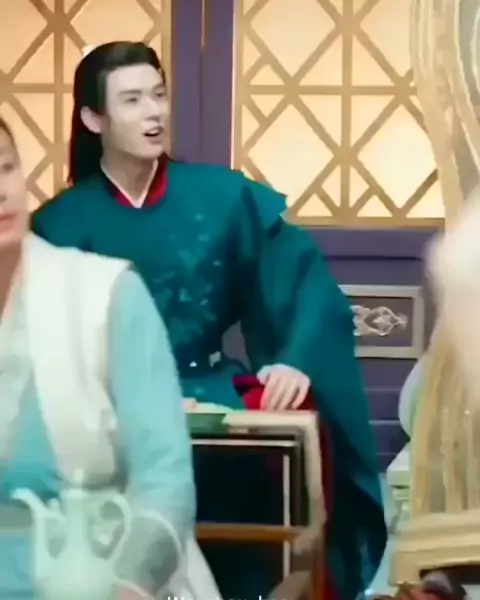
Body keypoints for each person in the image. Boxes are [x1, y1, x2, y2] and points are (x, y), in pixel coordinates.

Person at [30, 41, 387, 600]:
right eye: (132, 100)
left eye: (159, 95)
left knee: (295, 426)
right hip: (104, 404)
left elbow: (305, 282)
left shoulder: (222, 197)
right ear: (94, 119)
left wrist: (294, 359)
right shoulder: (58, 224)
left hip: (206, 385)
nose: (154, 112)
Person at [0, 115, 218, 600]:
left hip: (106, 576)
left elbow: (165, 477)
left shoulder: (105, 294)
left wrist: (132, 585)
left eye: (6, 168)